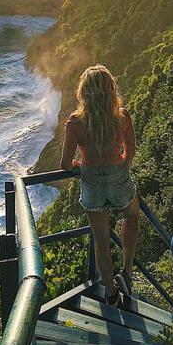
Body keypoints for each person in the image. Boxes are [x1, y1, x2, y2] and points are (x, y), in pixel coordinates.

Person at [60, 64, 139, 307]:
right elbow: (131, 152)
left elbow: (65, 164)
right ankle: (127, 270)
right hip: (117, 177)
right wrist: (120, 165)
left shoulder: (75, 123)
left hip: (92, 182)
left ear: (84, 92)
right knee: (132, 215)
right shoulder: (122, 117)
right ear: (111, 90)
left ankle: (111, 292)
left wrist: (81, 165)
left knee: (101, 240)